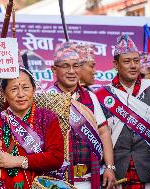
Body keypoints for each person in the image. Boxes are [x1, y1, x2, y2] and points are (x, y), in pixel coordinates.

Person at [0, 68, 64, 189]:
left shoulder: (46, 118)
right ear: (3, 93)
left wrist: (17, 161)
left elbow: (56, 158)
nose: (21, 94)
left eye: (26, 88)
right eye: (14, 89)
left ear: (34, 89)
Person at [95, 34, 150, 189]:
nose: (133, 66)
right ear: (116, 64)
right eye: (127, 61)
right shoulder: (102, 94)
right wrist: (108, 167)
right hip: (116, 172)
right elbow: (100, 134)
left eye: (136, 61)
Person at [47, 41, 116, 189]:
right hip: (58, 179)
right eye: (65, 66)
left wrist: (110, 167)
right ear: (54, 69)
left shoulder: (90, 98)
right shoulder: (46, 99)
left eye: (76, 65)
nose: (72, 71)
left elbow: (103, 132)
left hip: (89, 179)